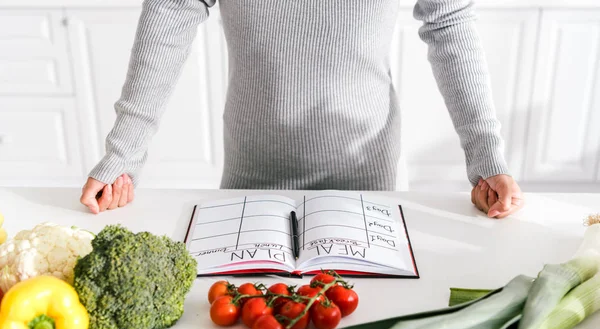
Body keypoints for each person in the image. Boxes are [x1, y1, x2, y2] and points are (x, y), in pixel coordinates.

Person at [80, 0, 524, 218]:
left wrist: (485, 156)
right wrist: (125, 152)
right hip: (250, 174)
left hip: (371, 175)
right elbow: (174, 8)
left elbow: (447, 21)